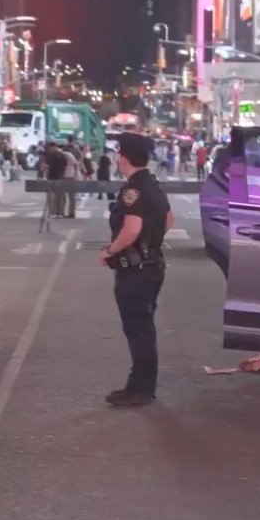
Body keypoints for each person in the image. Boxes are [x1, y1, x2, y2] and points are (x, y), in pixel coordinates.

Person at [100, 133, 173, 407]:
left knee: (138, 329)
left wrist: (111, 251)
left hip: (136, 271)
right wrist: (150, 244)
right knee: (144, 327)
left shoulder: (133, 190)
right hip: (152, 265)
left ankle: (141, 389)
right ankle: (139, 384)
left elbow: (131, 228)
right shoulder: (153, 185)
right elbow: (169, 218)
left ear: (124, 157)